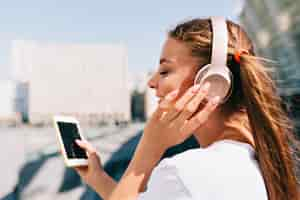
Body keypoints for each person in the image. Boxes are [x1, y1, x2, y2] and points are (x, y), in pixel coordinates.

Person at [73, 17, 300, 200]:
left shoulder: (184, 174)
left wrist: (148, 149)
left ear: (213, 83)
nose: (151, 82)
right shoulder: (261, 163)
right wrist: (98, 178)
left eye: (165, 71)